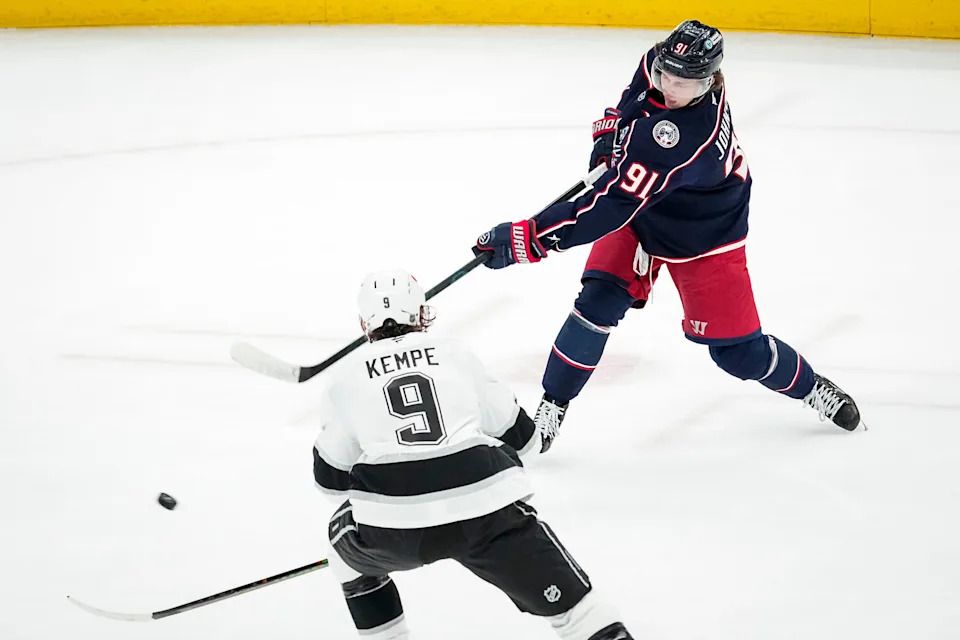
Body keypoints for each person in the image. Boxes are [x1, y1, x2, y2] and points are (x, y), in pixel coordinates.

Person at [472, 20, 861, 452]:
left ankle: (811, 388)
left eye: (682, 83)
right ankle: (552, 407)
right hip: (647, 211)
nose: (670, 88)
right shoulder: (665, 65)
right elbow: (630, 101)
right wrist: (609, 140)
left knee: (737, 353)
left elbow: (607, 208)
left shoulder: (686, 137)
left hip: (704, 235)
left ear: (709, 80)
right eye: (665, 75)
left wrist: (529, 238)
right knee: (596, 302)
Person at [312, 269, 635, 640]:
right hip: (487, 514)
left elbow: (330, 484)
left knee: (342, 552)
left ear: (363, 322)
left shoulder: (345, 377)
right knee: (578, 614)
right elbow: (527, 443)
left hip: (395, 532)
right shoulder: (456, 354)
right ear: (421, 314)